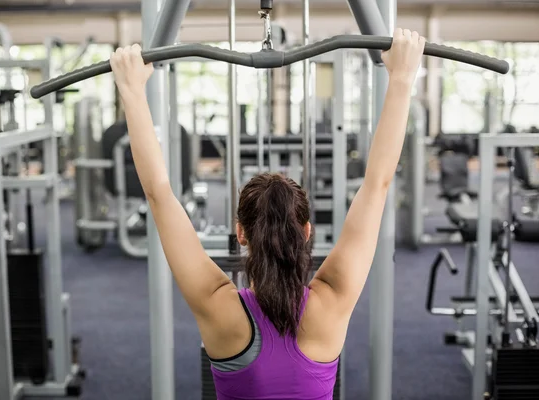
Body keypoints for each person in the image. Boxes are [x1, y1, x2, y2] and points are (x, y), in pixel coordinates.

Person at [110, 27, 425, 400]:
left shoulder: (219, 308)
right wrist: (403, 78)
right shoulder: (331, 302)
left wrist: (132, 90)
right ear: (306, 231)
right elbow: (377, 184)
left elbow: (159, 194)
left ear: (241, 233)